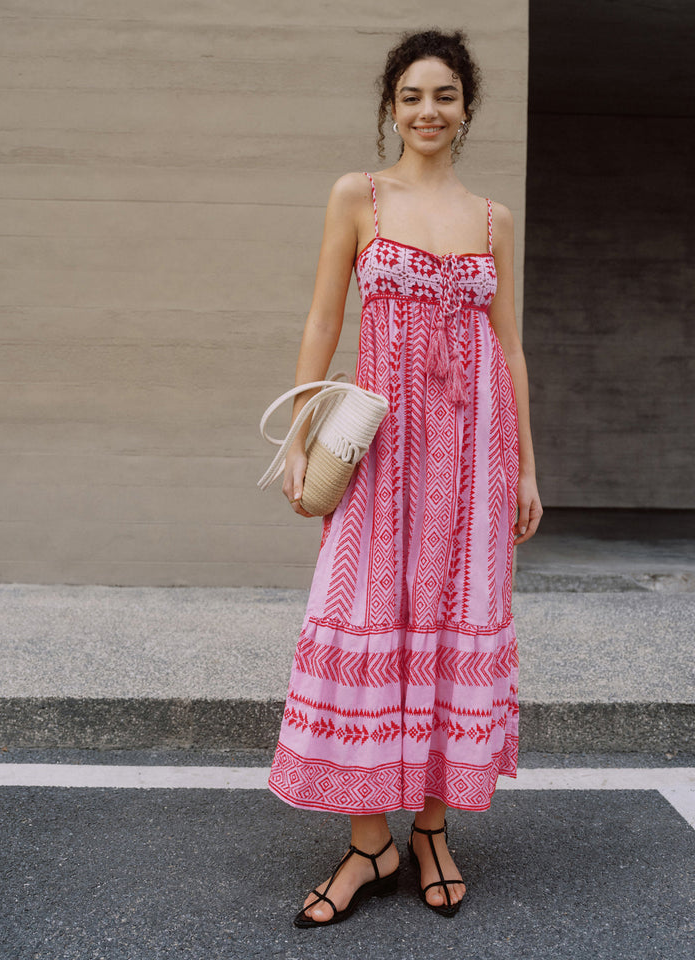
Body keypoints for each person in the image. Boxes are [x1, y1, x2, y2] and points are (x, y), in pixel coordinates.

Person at [267, 28, 543, 927]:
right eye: (413, 96)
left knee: (447, 627)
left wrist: (527, 467)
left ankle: (429, 831)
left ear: (467, 109)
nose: (430, 111)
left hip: (472, 456)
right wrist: (300, 436)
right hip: (382, 454)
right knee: (367, 616)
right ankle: (368, 841)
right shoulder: (360, 197)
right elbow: (321, 318)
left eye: (447, 96)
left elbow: (509, 347)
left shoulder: (494, 218)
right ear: (392, 105)